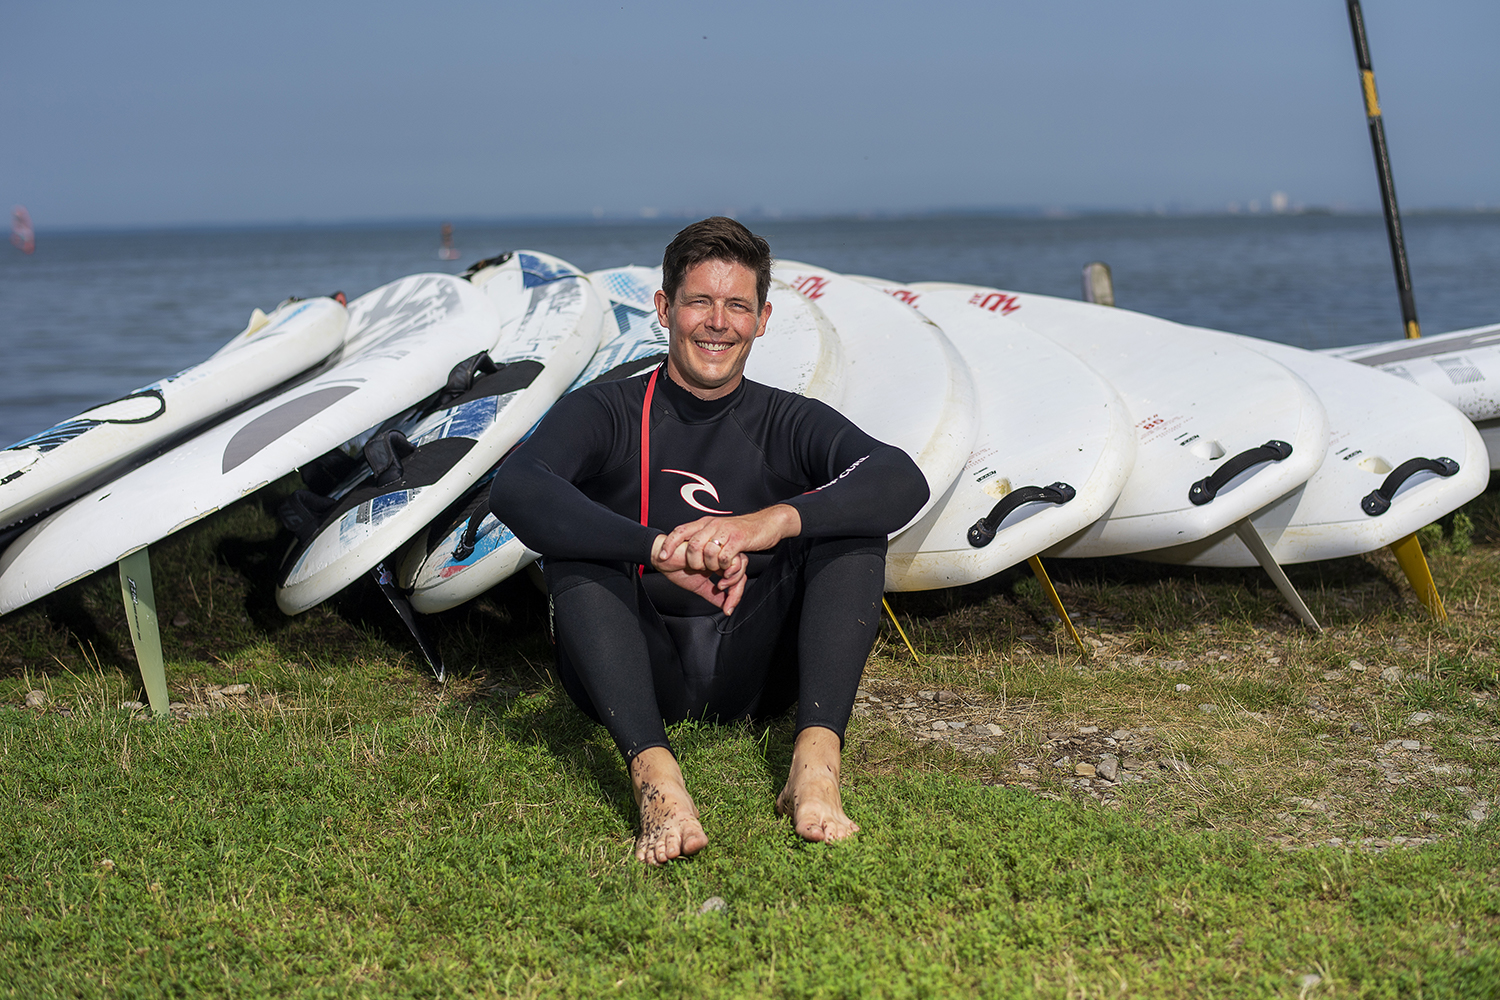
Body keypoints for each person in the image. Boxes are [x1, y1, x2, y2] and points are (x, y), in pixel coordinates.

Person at [490, 217, 928, 864]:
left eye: (736, 306)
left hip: (756, 671)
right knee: (576, 547)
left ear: (762, 318)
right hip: (633, 663)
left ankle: (814, 765)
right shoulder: (607, 411)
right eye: (699, 301)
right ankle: (656, 778)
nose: (717, 322)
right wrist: (657, 548)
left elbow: (900, 478)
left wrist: (768, 522)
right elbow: (519, 487)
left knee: (850, 527)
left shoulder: (787, 418)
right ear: (665, 309)